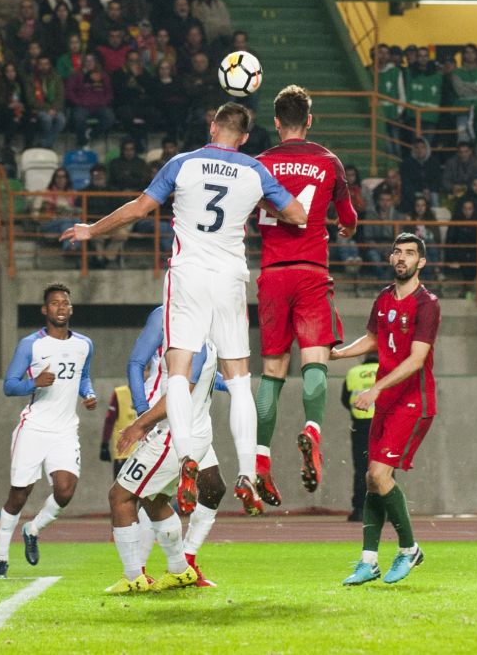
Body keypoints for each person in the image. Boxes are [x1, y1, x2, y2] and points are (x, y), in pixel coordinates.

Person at [60, 103, 305, 517]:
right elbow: (297, 214)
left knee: (178, 369)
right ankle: (248, 473)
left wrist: (91, 229)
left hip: (188, 274)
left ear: (213, 127)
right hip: (229, 276)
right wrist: (257, 205)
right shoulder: (255, 171)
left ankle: (187, 457)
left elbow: (140, 208)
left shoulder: (182, 164)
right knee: (241, 378)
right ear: (245, 138)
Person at [251, 85, 359, 506]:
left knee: (273, 369)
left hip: (272, 275)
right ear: (309, 120)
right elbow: (348, 217)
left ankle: (261, 460)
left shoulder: (259, 165)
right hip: (311, 271)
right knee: (315, 360)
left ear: (277, 122)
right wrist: (345, 226)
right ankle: (312, 431)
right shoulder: (328, 161)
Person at [330, 233, 440, 586]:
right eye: (398, 252)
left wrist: (375, 388)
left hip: (414, 401)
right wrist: (339, 353)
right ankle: (369, 561)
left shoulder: (427, 304)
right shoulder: (382, 297)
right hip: (388, 402)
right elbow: (374, 339)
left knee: (379, 477)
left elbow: (417, 359)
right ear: (391, 258)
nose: (402, 258)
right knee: (371, 479)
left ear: (421, 262)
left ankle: (409, 549)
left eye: (410, 253)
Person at [105, 305, 227, 593]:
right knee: (154, 499)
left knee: (120, 497)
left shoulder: (190, 341)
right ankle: (180, 569)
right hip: (195, 433)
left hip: (173, 435)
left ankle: (134, 576)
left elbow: (178, 394)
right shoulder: (206, 337)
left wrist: (141, 423)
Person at [0, 283, 96, 579]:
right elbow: (10, 385)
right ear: (44, 310)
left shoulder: (84, 344)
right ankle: (0, 559)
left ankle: (33, 529)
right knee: (19, 494)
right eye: (54, 303)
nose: (60, 307)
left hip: (65, 430)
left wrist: (88, 394)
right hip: (34, 427)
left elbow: (84, 376)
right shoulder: (30, 345)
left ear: (71, 309)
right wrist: (33, 383)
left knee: (65, 491)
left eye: (65, 303)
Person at [341, 355, 378, 522]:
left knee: (362, 466)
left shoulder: (353, 372)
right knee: (385, 467)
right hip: (383, 423)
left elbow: (345, 399)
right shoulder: (387, 371)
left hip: (361, 425)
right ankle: (386, 509)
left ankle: (360, 509)